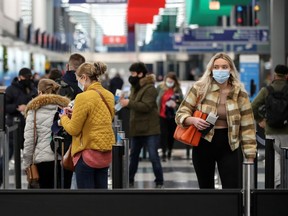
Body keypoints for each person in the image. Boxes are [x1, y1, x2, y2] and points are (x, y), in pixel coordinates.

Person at [175, 52, 257, 189]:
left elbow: (248, 126)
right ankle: (208, 211)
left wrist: (250, 155)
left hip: (230, 144)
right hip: (203, 142)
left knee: (232, 188)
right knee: (206, 187)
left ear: (231, 69)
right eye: (216, 67)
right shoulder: (200, 88)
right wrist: (192, 120)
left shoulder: (239, 93)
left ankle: (230, 211)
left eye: (224, 67)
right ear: (211, 69)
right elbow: (181, 113)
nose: (220, 70)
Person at [59, 62, 115, 189]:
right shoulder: (109, 95)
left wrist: (63, 118)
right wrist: (77, 113)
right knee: (101, 195)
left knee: (86, 198)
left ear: (84, 77)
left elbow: (73, 129)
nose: (78, 82)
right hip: (105, 153)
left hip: (87, 154)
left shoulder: (83, 97)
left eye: (78, 79)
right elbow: (102, 119)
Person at [119, 62, 164, 188]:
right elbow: (134, 105)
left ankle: (159, 181)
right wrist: (124, 103)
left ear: (140, 73)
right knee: (133, 156)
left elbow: (146, 106)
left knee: (153, 156)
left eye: (133, 73)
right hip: (137, 128)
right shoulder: (135, 86)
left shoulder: (150, 88)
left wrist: (129, 103)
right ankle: (130, 179)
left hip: (150, 129)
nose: (131, 76)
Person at [23, 79, 70, 188]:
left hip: (43, 161)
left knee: (45, 196)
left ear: (40, 92)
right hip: (63, 157)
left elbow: (30, 141)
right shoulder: (65, 108)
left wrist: (27, 163)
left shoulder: (34, 111)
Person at [252, 64, 288, 188]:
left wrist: (260, 120)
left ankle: (277, 183)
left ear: (275, 75)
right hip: (286, 130)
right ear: (287, 76)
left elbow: (253, 107)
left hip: (271, 130)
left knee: (274, 157)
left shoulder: (266, 90)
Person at [0, 68, 38, 187]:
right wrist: (17, 107)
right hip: (14, 127)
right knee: (7, 155)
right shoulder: (11, 89)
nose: (28, 79)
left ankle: (32, 183)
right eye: (26, 77)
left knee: (31, 158)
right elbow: (4, 107)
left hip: (28, 128)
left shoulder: (32, 88)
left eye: (30, 77)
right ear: (20, 77)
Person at [156, 72, 183, 161]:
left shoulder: (177, 90)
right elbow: (156, 100)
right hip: (162, 115)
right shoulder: (160, 88)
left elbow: (182, 103)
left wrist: (175, 105)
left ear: (175, 81)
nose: (169, 82)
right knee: (163, 134)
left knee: (171, 135)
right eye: (168, 81)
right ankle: (163, 152)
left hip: (173, 115)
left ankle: (169, 151)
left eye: (171, 81)